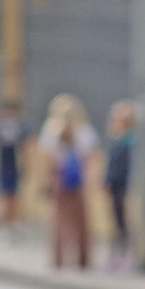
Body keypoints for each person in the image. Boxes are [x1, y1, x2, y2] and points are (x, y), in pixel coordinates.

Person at [39, 93, 98, 270]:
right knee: (80, 220)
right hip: (77, 178)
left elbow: (47, 158)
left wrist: (47, 180)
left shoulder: (50, 130)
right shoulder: (85, 130)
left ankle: (58, 259)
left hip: (59, 176)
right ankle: (83, 260)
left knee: (58, 219)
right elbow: (90, 156)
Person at [103, 100, 137, 271]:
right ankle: (117, 256)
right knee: (117, 221)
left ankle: (126, 256)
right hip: (116, 185)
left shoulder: (130, 141)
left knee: (124, 221)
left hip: (125, 186)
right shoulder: (118, 139)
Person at [0, 98, 30, 233]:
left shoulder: (20, 125)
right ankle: (3, 221)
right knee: (3, 192)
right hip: (4, 158)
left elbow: (24, 146)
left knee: (14, 192)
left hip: (14, 158)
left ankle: (13, 220)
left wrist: (24, 163)